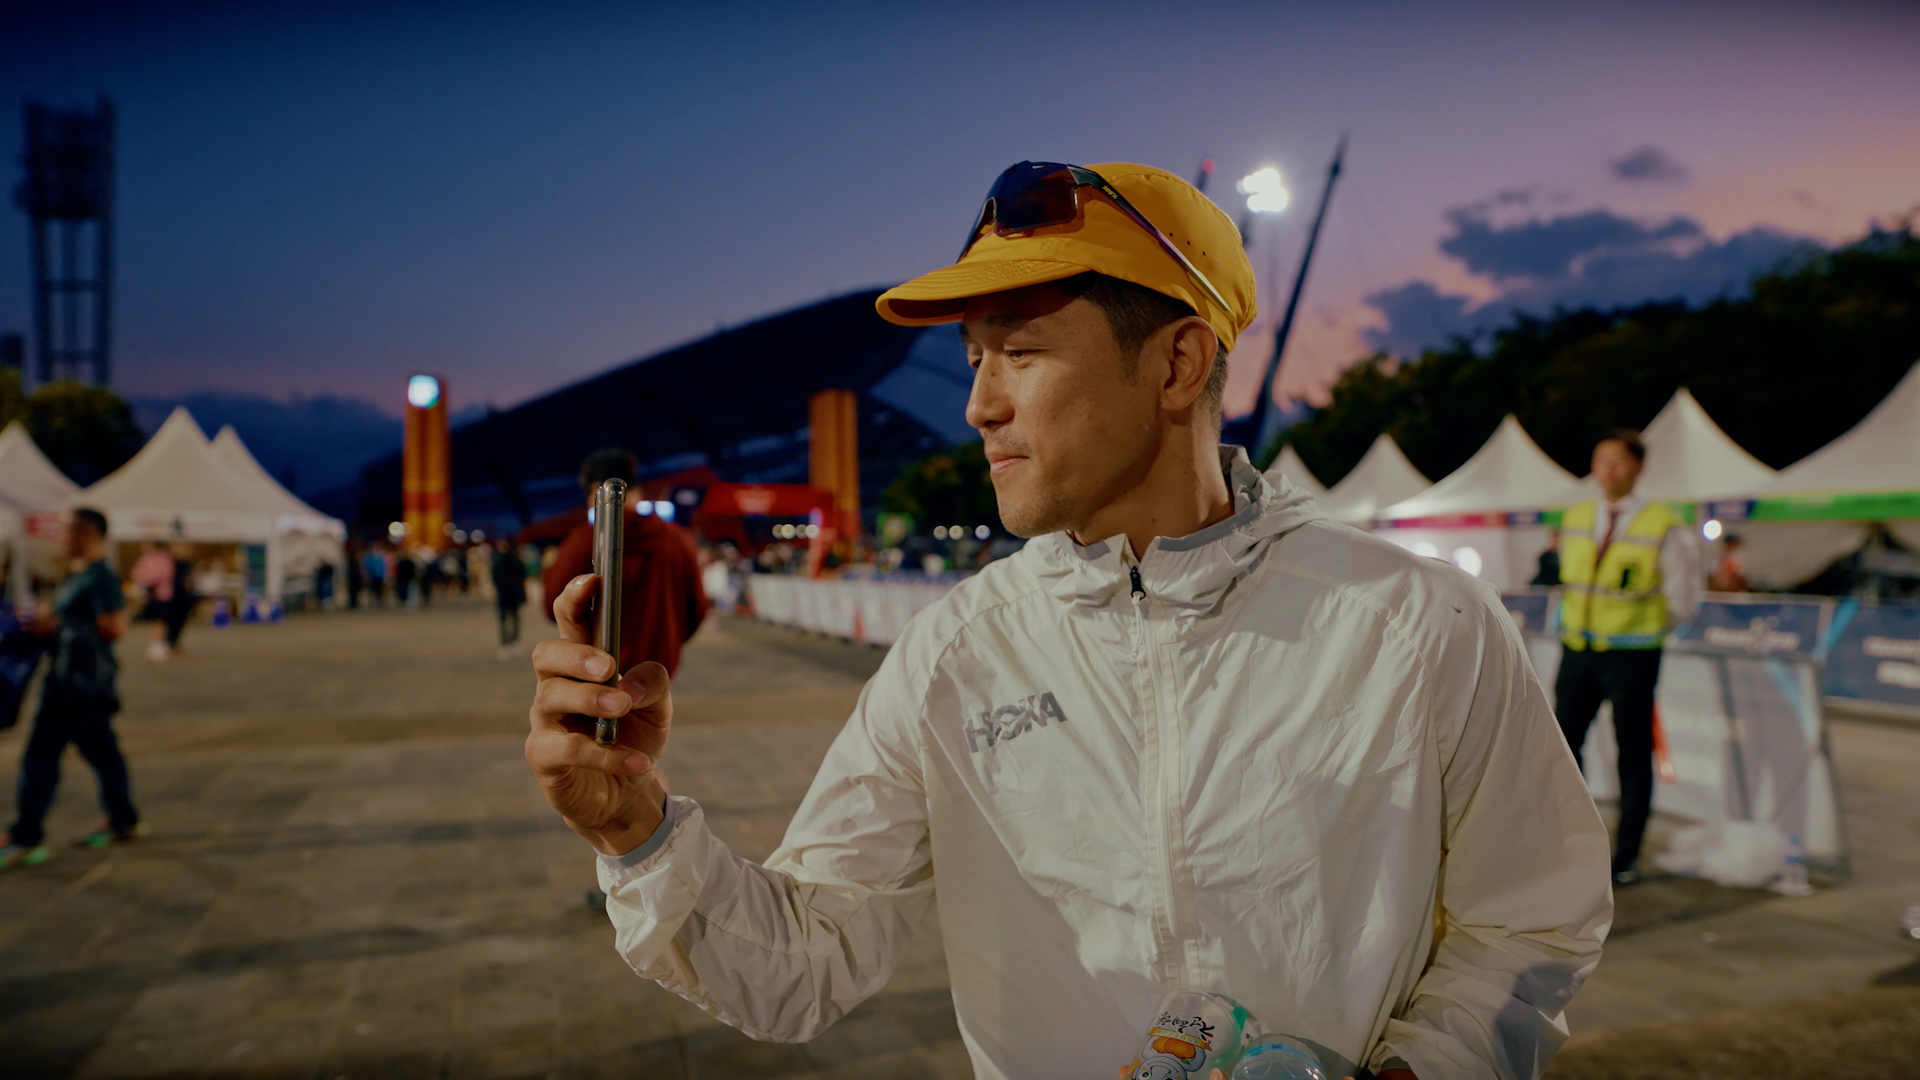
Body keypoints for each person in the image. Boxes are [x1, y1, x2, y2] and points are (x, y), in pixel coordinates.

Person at [525, 162, 1609, 1080]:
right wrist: (637, 833)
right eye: (974, 359)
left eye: (1022, 352)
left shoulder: (1416, 622)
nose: (978, 405)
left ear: (1177, 363)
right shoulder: (956, 653)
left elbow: (1533, 920)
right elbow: (803, 964)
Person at [1554, 429, 1700, 887]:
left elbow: (1683, 600)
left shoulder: (1663, 524)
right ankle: (1568, 842)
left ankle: (1626, 856)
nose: (1607, 470)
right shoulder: (1577, 517)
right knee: (1561, 748)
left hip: (1633, 655)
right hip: (1578, 649)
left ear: (1639, 467)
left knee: (1633, 754)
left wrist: (1645, 630)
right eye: (1600, 460)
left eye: (1618, 461)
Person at [1, 508, 144, 870]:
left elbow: (116, 627)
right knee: (102, 752)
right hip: (75, 681)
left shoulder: (101, 577)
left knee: (40, 755)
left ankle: (25, 837)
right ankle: (123, 819)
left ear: (89, 532)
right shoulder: (77, 574)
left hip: (77, 683)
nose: (59, 536)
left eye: (66, 530)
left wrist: (56, 625)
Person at [539, 450, 710, 679]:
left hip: (596, 667)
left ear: (597, 490)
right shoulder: (677, 540)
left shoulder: (582, 541)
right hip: (657, 667)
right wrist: (666, 641)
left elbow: (554, 603)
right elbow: (697, 608)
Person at [129, 542, 175, 661]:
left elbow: (158, 575)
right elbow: (136, 572)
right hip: (155, 594)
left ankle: (158, 644)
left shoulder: (161, 558)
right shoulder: (152, 558)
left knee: (159, 620)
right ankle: (155, 643)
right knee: (155, 620)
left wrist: (146, 580)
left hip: (159, 594)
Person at [492, 539, 528, 658]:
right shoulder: (516, 560)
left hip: (505, 594)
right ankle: (512, 642)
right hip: (511, 593)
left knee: (507, 619)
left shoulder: (499, 560)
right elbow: (522, 576)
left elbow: (495, 577)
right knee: (513, 618)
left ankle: (507, 643)